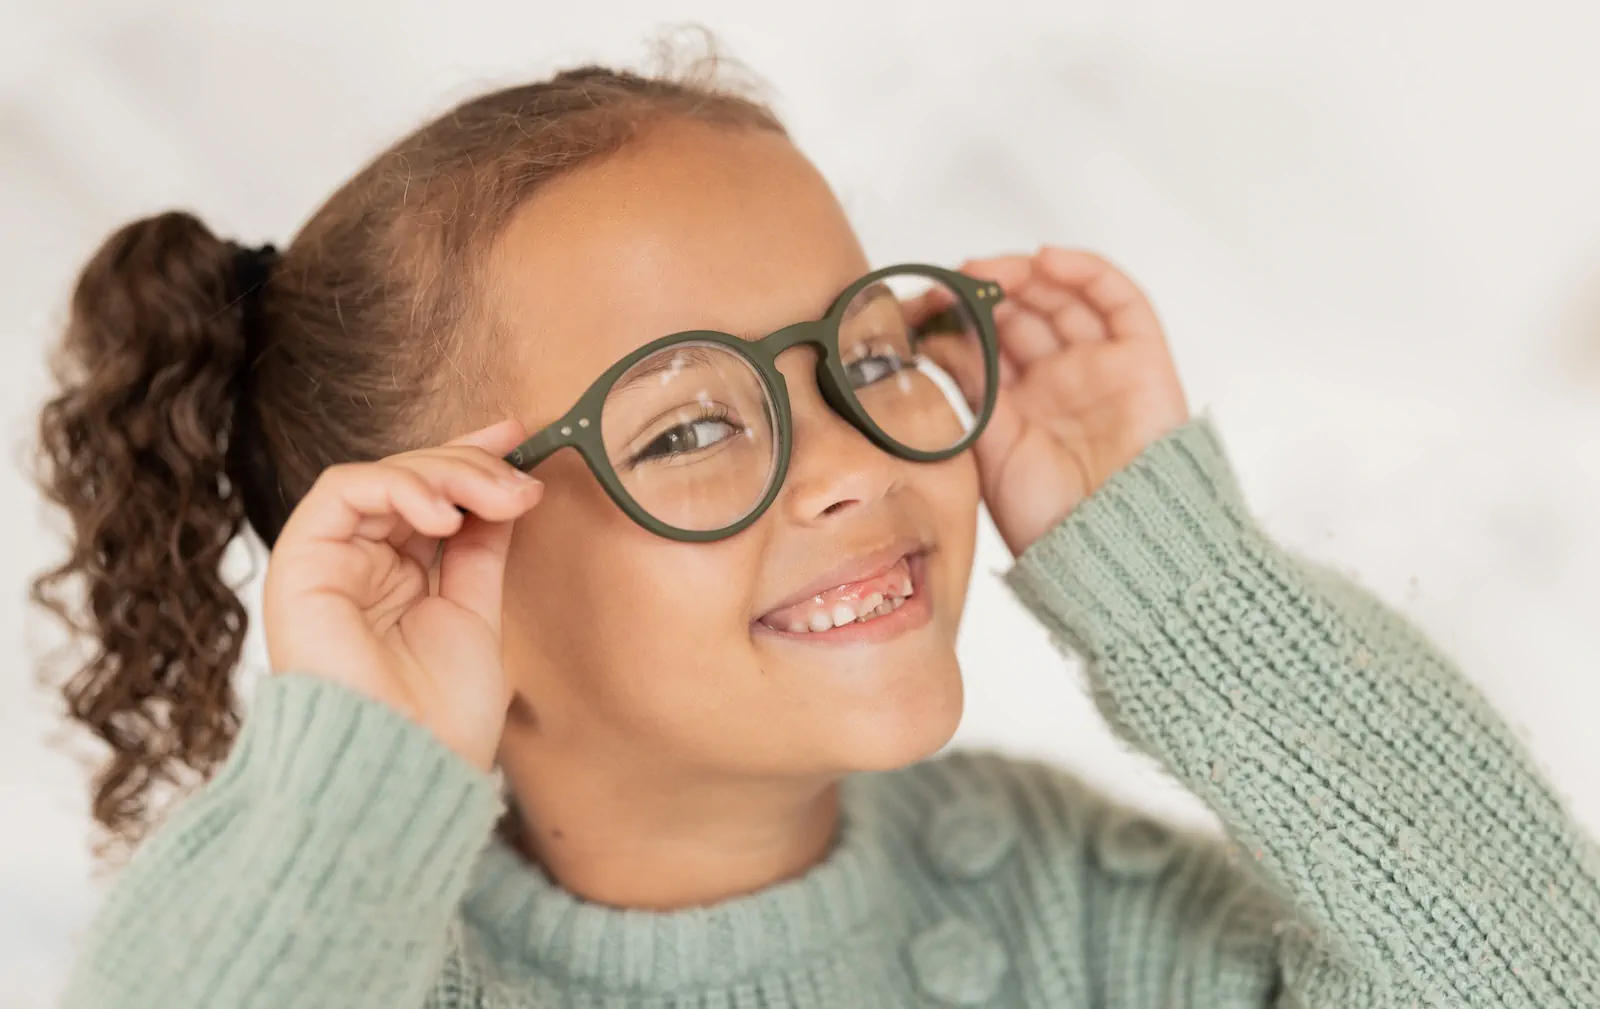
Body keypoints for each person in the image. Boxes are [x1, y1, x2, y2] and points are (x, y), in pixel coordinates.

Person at [32, 48, 1600, 1009]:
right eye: (693, 423)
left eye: (861, 357)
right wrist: (351, 769)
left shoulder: (1064, 906)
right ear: (445, 553)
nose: (852, 460)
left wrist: (1181, 582)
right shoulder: (374, 964)